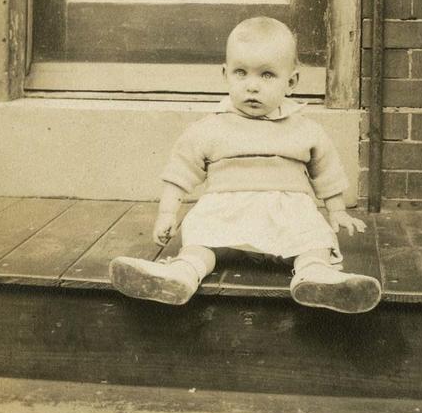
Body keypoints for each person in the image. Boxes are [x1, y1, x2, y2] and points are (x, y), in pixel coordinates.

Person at [109, 17, 381, 313]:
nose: (252, 86)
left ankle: (315, 277)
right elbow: (180, 172)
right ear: (225, 75)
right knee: (200, 240)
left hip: (286, 212)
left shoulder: (304, 129)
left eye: (267, 75)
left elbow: (325, 171)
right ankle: (181, 275)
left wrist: (337, 211)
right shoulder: (210, 128)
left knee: (314, 240)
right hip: (226, 209)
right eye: (241, 73)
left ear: (291, 82)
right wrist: (166, 213)